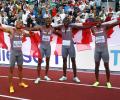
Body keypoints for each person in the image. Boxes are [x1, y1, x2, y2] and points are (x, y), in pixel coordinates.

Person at [0, 20, 29, 93]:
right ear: (16, 24)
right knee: (11, 69)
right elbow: (2, 28)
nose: (19, 24)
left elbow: (29, 34)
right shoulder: (11, 30)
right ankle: (11, 86)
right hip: (13, 52)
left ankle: (21, 82)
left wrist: (31, 32)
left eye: (20, 23)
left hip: (20, 53)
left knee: (20, 69)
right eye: (18, 23)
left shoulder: (22, 32)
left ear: (22, 25)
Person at [91, 17, 120, 88]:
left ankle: (108, 82)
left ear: (101, 22)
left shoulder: (105, 27)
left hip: (104, 50)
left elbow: (114, 24)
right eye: (96, 21)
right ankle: (97, 81)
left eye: (99, 21)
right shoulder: (93, 29)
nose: (97, 22)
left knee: (106, 66)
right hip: (97, 50)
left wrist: (118, 21)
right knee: (96, 66)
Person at [27, 17, 54, 84]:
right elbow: (32, 29)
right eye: (47, 20)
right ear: (45, 21)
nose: (48, 21)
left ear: (51, 21)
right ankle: (38, 77)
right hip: (42, 46)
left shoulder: (52, 28)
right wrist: (27, 28)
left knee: (47, 62)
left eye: (49, 20)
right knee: (39, 62)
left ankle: (46, 75)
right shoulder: (41, 28)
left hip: (48, 47)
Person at [55, 16, 81, 83]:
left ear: (69, 22)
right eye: (65, 21)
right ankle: (64, 76)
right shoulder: (61, 27)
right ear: (63, 22)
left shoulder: (71, 26)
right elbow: (53, 28)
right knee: (64, 61)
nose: (66, 22)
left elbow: (81, 27)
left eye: (67, 21)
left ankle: (75, 77)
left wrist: (88, 25)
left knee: (73, 61)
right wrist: (58, 33)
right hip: (64, 46)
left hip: (71, 46)